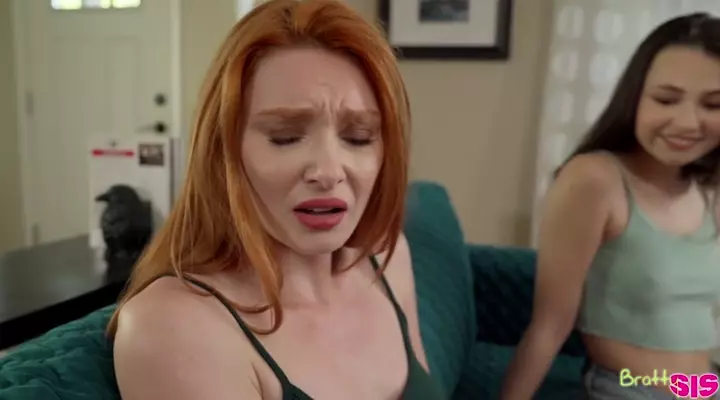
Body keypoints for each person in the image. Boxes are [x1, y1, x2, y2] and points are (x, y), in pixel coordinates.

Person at [107, 1, 446, 399]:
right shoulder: (171, 326)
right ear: (223, 151)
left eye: (359, 138)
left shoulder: (388, 258)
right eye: (285, 137)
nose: (329, 171)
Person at [501, 13, 720, 400]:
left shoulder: (708, 189)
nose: (688, 122)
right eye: (666, 99)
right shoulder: (595, 180)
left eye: (713, 104)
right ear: (634, 97)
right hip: (631, 388)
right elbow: (549, 326)